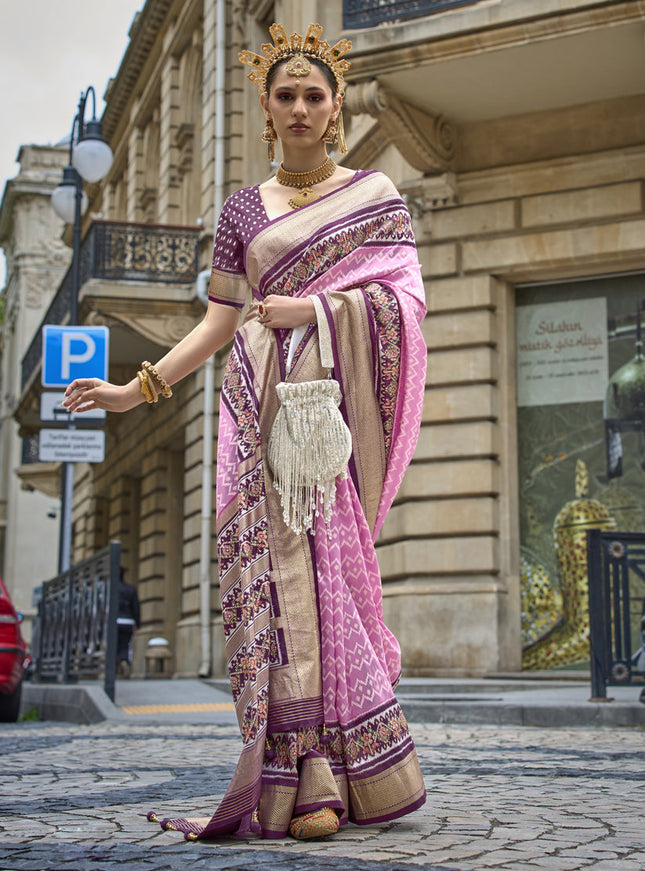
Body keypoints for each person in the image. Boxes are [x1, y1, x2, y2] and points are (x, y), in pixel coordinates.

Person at [63, 22, 427, 842]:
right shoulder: (240, 211)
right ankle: (301, 771)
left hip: (320, 422)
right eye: (285, 95)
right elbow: (219, 320)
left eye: (314, 94)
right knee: (271, 582)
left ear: (333, 109)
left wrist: (318, 309)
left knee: (327, 580)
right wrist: (137, 387)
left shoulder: (375, 197)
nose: (300, 107)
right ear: (266, 108)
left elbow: (403, 305)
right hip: (251, 415)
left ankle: (342, 769)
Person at [116, 568, 140, 678]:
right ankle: (125, 661)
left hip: (115, 621)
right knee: (125, 644)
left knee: (115, 645)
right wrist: (137, 623)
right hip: (127, 621)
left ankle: (116, 666)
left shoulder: (111, 589)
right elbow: (135, 607)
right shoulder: (130, 589)